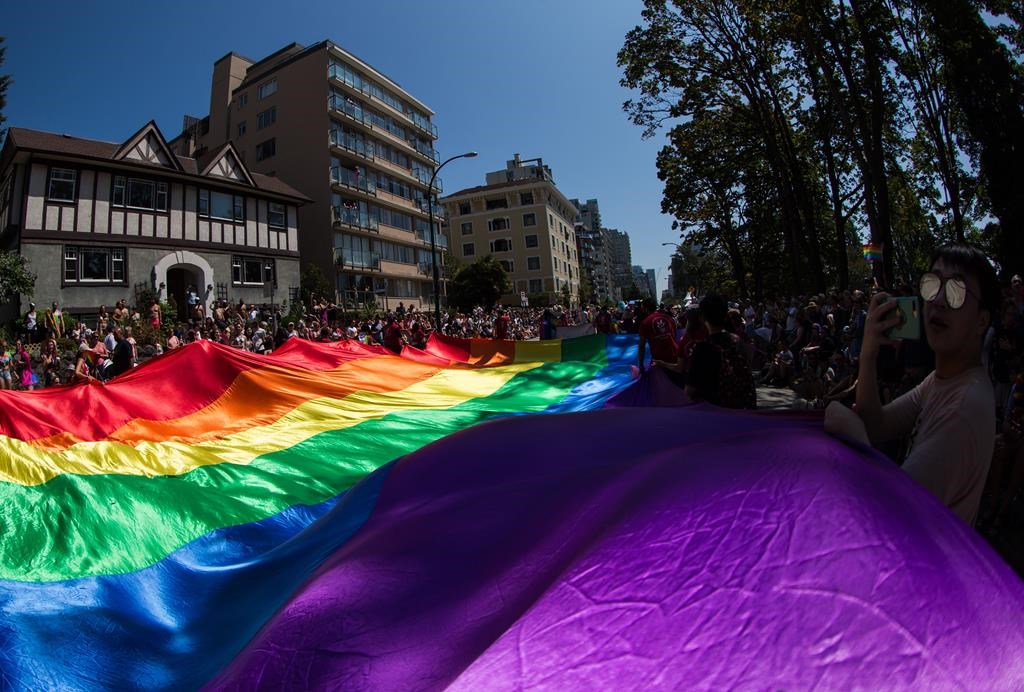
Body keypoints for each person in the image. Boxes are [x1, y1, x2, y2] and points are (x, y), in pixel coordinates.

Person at [825, 244, 1001, 525]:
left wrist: (854, 435)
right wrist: (869, 352)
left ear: (982, 321)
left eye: (957, 291)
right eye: (932, 284)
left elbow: (894, 514)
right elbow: (877, 423)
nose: (939, 300)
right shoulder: (941, 380)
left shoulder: (964, 407)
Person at [686, 293, 757, 409]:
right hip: (739, 409)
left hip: (715, 414)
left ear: (702, 317)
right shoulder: (737, 340)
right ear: (725, 315)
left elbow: (689, 390)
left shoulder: (702, 348)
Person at [637, 300, 678, 371]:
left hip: (660, 359)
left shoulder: (645, 323)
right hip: (675, 354)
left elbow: (641, 345)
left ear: (645, 309)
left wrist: (641, 364)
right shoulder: (669, 318)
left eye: (642, 308)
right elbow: (674, 335)